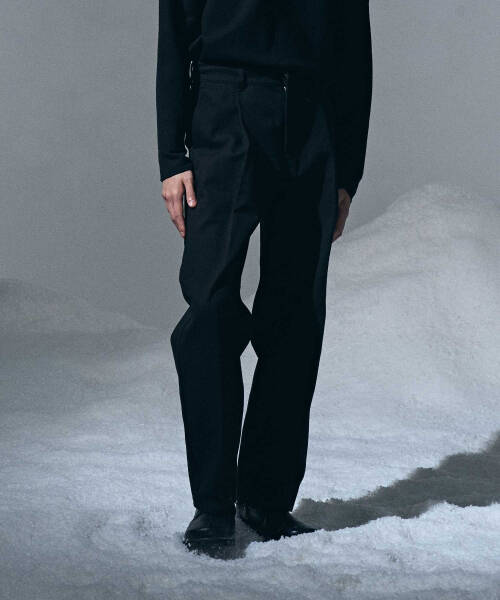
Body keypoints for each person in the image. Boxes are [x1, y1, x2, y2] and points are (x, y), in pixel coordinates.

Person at [156, 0, 372, 552]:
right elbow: (175, 32)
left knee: (296, 314)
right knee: (210, 306)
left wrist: (347, 173)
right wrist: (172, 156)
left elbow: (354, 50)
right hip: (225, 106)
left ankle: (265, 498)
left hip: (313, 117)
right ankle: (212, 505)